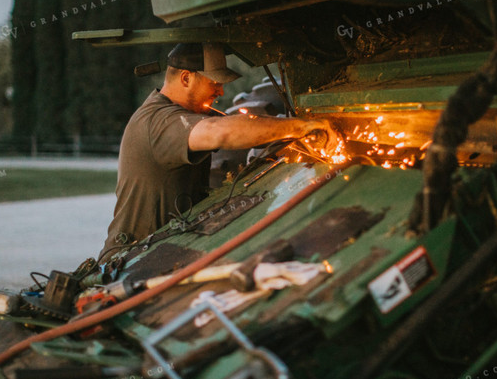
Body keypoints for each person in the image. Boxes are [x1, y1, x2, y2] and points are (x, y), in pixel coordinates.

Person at [99, 43, 342, 263]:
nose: (221, 92)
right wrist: (302, 127)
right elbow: (220, 131)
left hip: (163, 250)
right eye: (214, 83)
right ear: (186, 78)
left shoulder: (184, 114)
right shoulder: (159, 121)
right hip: (132, 259)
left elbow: (246, 126)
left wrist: (293, 138)